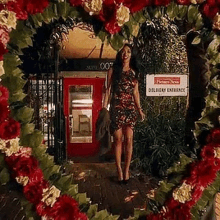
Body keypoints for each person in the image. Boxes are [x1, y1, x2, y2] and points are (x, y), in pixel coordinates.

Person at [102, 43, 145, 184]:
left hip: (130, 109)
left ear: (131, 54)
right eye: (122, 52)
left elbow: (135, 92)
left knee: (129, 139)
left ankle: (127, 170)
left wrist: (139, 109)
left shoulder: (134, 72)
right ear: (119, 55)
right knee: (118, 140)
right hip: (116, 108)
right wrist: (104, 108)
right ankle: (119, 171)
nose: (125, 54)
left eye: (128, 51)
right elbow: (108, 90)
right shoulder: (113, 70)